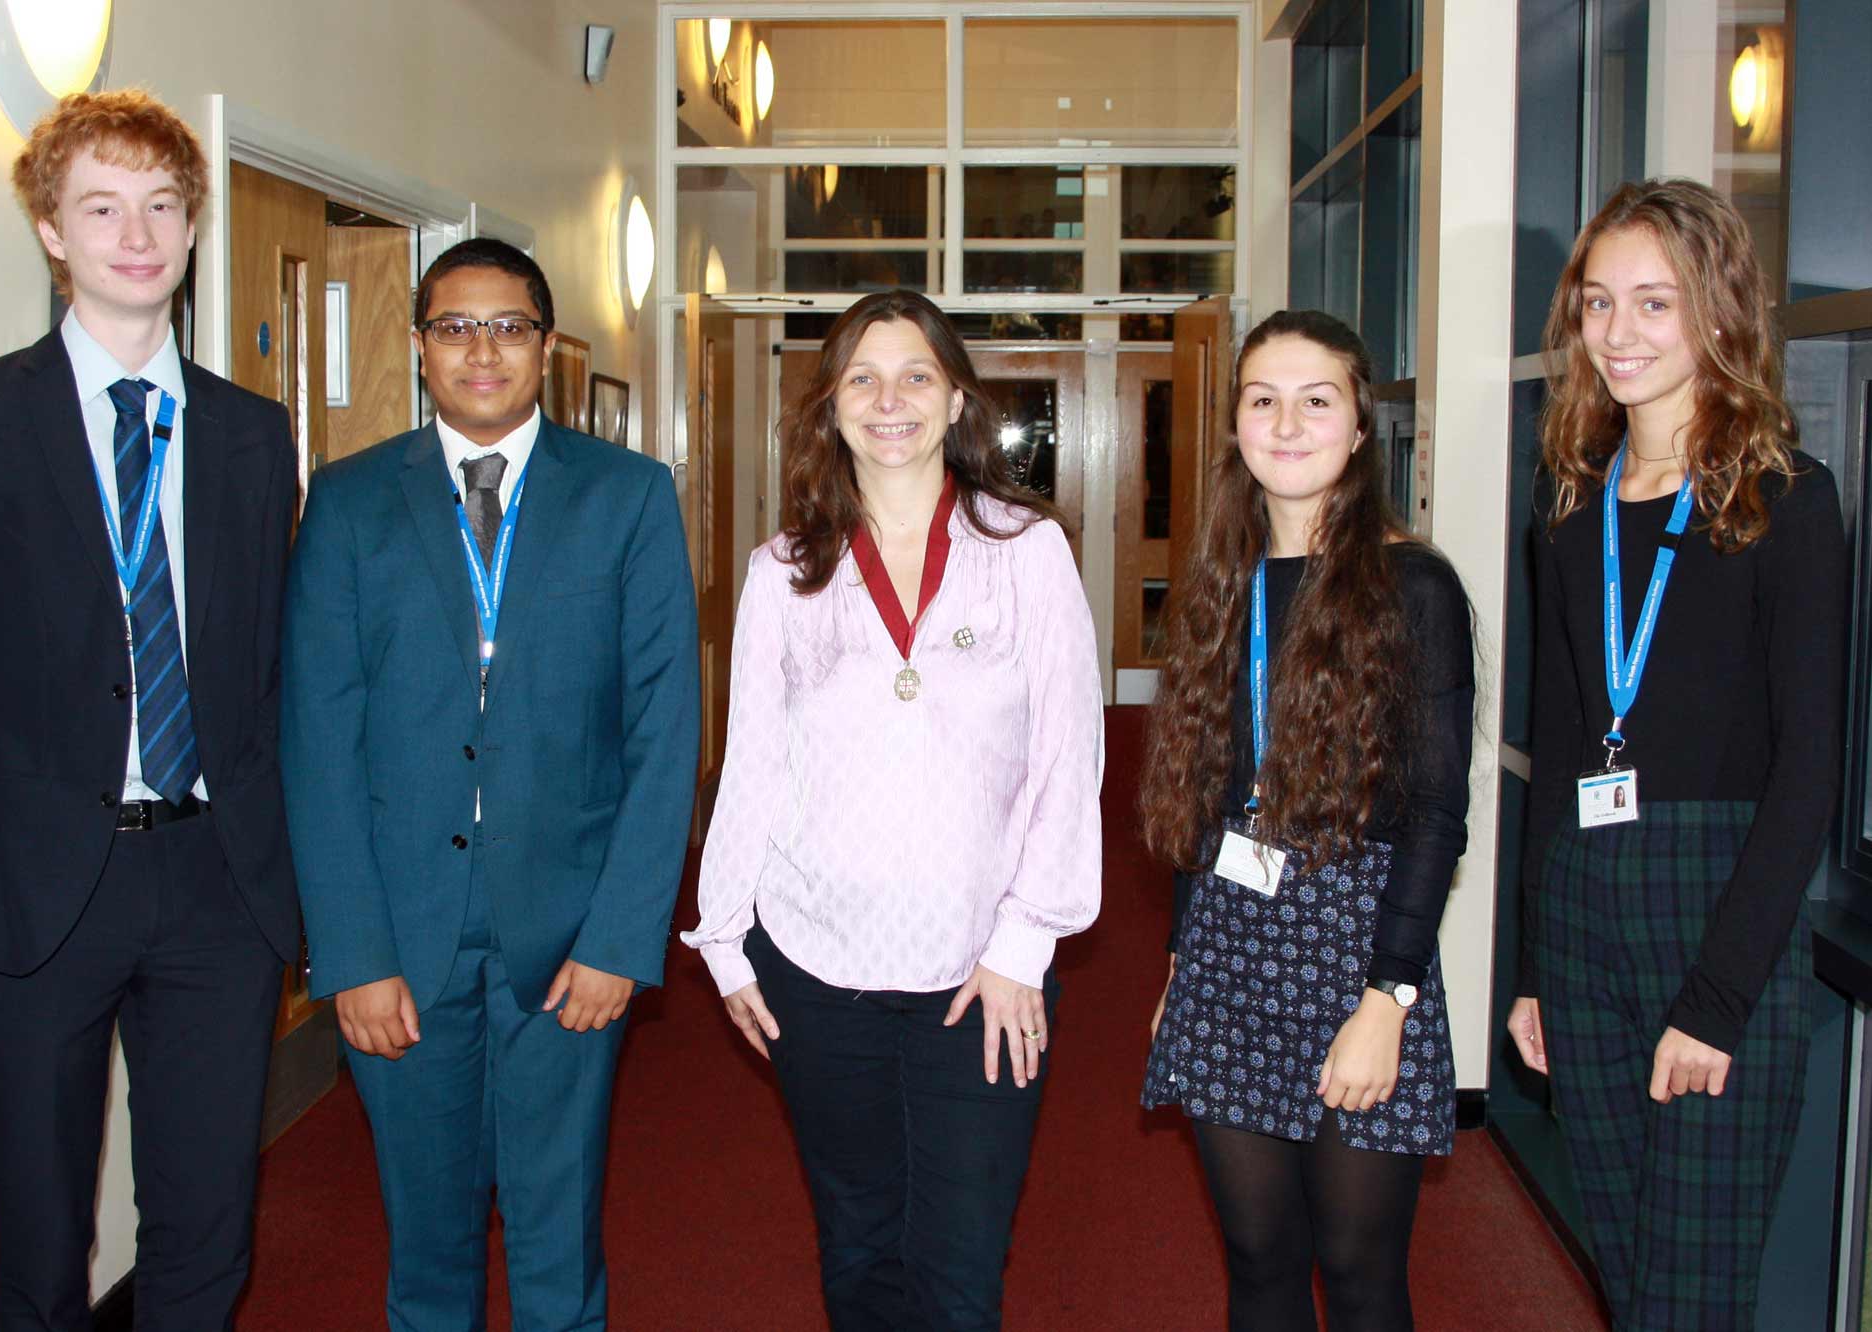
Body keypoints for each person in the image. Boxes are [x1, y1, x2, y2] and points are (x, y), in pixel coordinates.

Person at [0, 90, 300, 1329]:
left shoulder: (249, 431)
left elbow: (266, 666)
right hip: (42, 886)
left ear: (190, 228)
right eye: (102, 207)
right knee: (40, 1223)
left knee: (206, 1215)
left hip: (217, 885)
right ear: (51, 231)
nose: (138, 233)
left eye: (163, 207)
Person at [280, 237, 698, 1330]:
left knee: (559, 1242)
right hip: (401, 933)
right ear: (419, 346)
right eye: (454, 327)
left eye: (507, 327)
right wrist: (350, 954)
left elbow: (665, 733)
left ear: (546, 346)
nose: (481, 350)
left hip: (568, 932)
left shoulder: (627, 497)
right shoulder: (348, 501)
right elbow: (316, 743)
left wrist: (621, 937)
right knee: (427, 1246)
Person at [682, 288, 1103, 1331]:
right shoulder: (783, 572)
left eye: (915, 374)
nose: (889, 399)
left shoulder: (1025, 552)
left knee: (958, 1271)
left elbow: (1067, 753)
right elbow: (751, 764)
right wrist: (724, 939)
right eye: (861, 378)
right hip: (816, 966)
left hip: (978, 975)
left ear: (956, 399)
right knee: (859, 1246)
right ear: (829, 408)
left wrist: (1022, 942)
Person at [1507, 178, 1844, 1330]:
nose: (1618, 334)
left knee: (1691, 1292)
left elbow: (1809, 773)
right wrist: (1529, 967)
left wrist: (1715, 999)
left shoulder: (1786, 501)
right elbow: (1555, 747)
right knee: (1624, 1264)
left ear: (1715, 312)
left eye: (1654, 303)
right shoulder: (1565, 507)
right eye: (1598, 303)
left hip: (1716, 908)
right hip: (1581, 906)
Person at [1138, 308, 1473, 1331]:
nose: (1286, 424)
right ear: (1234, 422)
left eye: (1314, 401)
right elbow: (1204, 806)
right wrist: (1176, 969)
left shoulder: (1412, 584)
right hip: (1231, 951)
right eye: (1261, 400)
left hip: (1357, 949)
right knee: (1256, 1260)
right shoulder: (1219, 584)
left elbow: (1433, 817)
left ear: (1360, 426)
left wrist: (1386, 1001)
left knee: (1359, 1270)